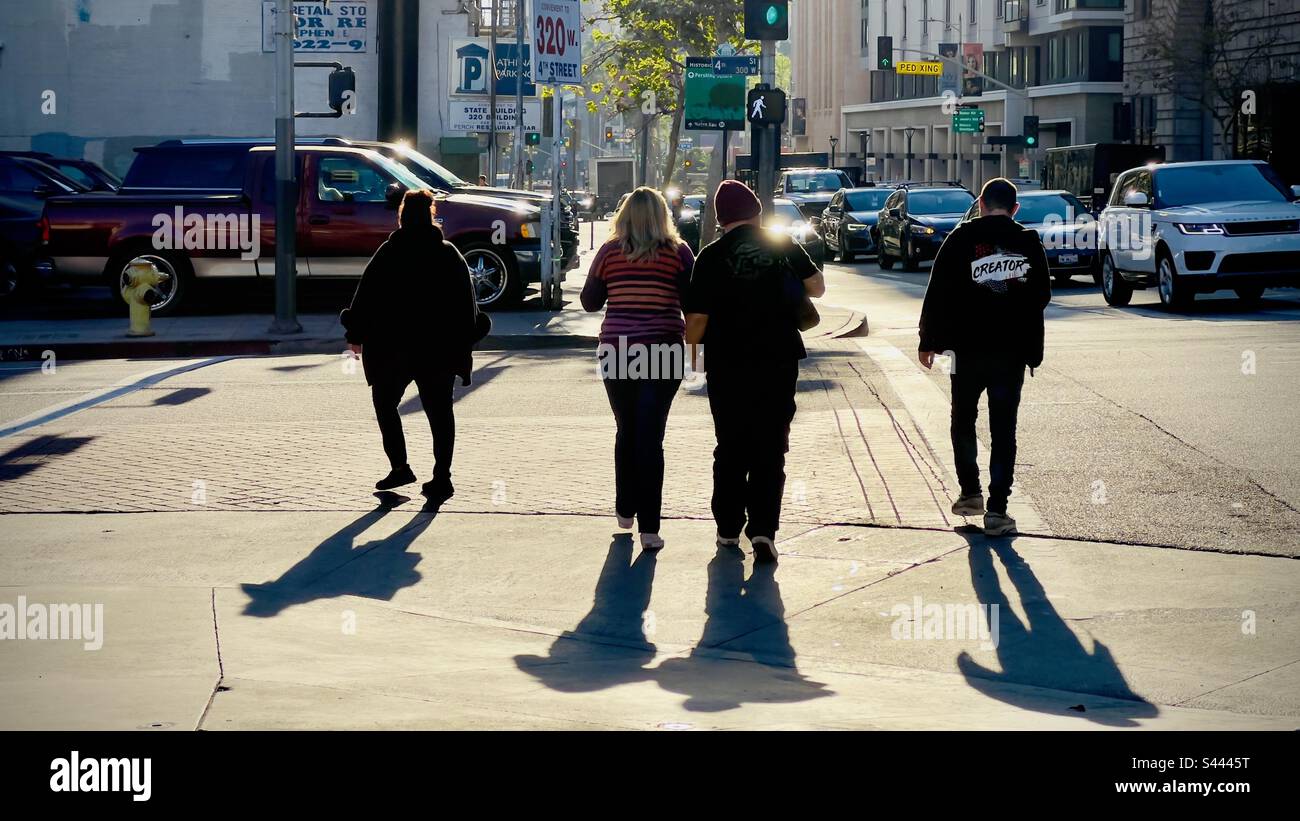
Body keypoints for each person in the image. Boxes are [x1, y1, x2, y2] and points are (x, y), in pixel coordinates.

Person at [684, 180, 826, 563]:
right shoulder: (782, 244)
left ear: (720, 218)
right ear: (756, 213)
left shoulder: (711, 256)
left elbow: (697, 318)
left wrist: (692, 355)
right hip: (778, 357)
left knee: (730, 445)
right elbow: (817, 288)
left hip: (727, 361)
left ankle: (728, 528)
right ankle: (764, 530)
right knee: (770, 445)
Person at [918, 178, 1051, 536]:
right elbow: (1042, 294)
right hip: (1010, 351)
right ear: (1015, 208)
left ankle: (970, 492)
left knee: (962, 417)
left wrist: (927, 340)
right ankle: (997, 510)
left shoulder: (959, 238)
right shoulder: (1027, 241)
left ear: (980, 203)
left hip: (963, 350)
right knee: (1003, 427)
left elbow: (937, 293)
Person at [340, 189, 481, 504]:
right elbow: (465, 304)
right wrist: (466, 340)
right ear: (431, 215)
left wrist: (356, 333)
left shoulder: (389, 253)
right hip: (438, 349)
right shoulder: (448, 254)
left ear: (402, 217)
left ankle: (400, 466)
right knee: (440, 412)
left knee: (385, 404)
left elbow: (365, 296)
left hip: (393, 348)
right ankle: (441, 477)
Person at [582, 187, 696, 550]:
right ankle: (650, 528)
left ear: (624, 216)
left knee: (626, 430)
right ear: (663, 216)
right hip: (663, 349)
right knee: (652, 438)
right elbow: (693, 304)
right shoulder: (678, 254)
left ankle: (624, 509)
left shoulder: (609, 252)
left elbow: (589, 302)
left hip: (617, 350)